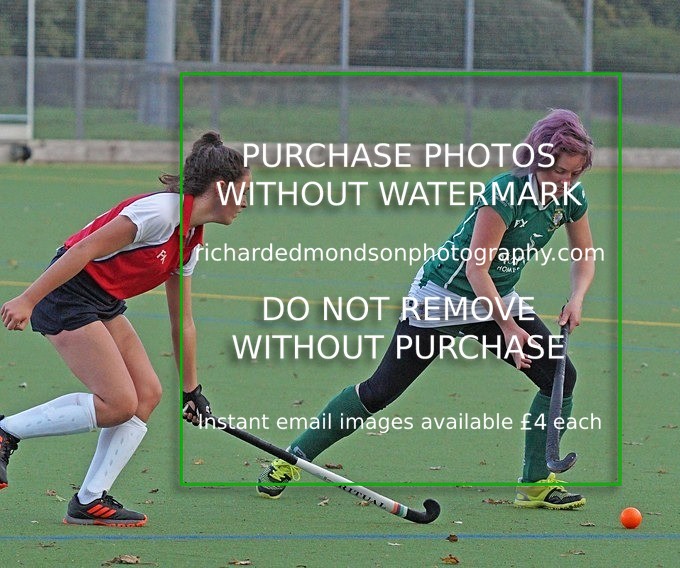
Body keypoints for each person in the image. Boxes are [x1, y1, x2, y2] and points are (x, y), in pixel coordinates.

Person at [256, 109, 596, 510]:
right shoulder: (505, 194)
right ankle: (293, 457)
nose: (566, 183)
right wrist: (507, 327)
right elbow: (475, 268)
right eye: (559, 171)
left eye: (575, 174)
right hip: (443, 297)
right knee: (380, 391)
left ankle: (536, 482)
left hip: (495, 296)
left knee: (559, 374)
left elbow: (583, 256)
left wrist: (577, 297)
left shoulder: (569, 198)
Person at [0, 132, 249, 526]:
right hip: (69, 292)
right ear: (221, 189)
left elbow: (181, 320)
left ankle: (89, 499)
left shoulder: (190, 239)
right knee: (117, 402)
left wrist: (192, 390)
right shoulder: (160, 214)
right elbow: (82, 250)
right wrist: (28, 299)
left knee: (146, 394)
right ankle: (5, 432)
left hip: (102, 301)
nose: (247, 202)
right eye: (243, 191)